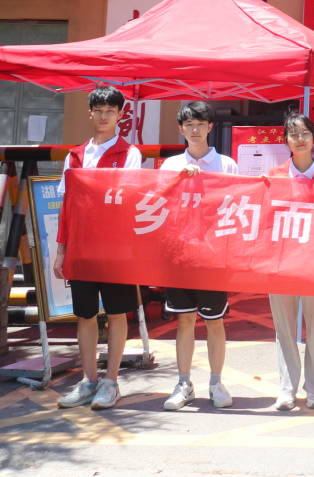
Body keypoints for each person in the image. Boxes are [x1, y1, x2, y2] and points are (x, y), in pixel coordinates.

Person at [52, 86, 143, 411]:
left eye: (110, 111)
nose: (104, 116)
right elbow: (66, 206)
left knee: (117, 314)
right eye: (99, 110)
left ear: (120, 115)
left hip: (115, 248)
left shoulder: (129, 154)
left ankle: (111, 381)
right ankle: (88, 380)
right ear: (90, 113)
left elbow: (130, 199)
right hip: (81, 246)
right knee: (85, 315)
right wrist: (61, 250)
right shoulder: (74, 155)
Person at [158, 101, 238, 411]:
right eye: (189, 124)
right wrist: (178, 180)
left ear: (210, 127)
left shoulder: (226, 165)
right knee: (184, 319)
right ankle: (184, 383)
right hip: (179, 254)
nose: (195, 129)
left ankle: (216, 383)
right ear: (180, 129)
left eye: (200, 124)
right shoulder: (170, 165)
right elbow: (158, 203)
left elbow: (238, 204)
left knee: (215, 321)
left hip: (213, 256)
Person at [265, 111, 314, 411]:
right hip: (281, 264)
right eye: (293, 134)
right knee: (283, 329)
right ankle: (287, 388)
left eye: (305, 133)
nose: (299, 139)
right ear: (286, 140)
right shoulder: (272, 178)